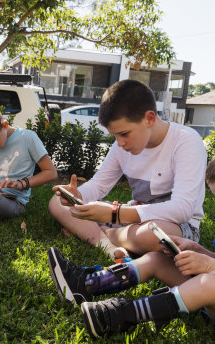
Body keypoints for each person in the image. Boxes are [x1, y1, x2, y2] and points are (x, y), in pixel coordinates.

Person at [47, 134, 215, 338]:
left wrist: (213, 267)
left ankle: (122, 315)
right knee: (156, 258)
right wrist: (199, 252)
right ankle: (87, 285)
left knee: (210, 283)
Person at [49, 79, 206, 261]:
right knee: (57, 202)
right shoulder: (120, 146)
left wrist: (115, 214)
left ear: (149, 118)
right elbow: (99, 185)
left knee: (155, 234)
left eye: (124, 134)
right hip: (131, 219)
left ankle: (102, 232)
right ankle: (108, 245)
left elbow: (182, 209)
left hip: (177, 225)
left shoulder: (186, 141)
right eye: (115, 136)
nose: (120, 142)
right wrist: (77, 195)